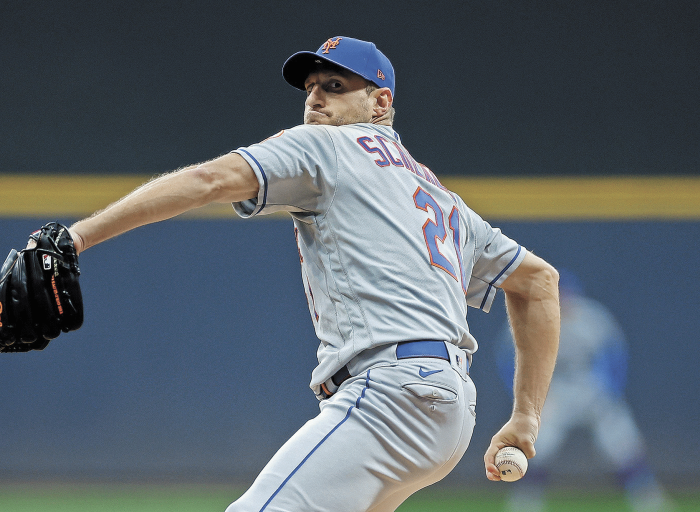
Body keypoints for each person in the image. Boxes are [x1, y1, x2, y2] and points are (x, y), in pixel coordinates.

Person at [60, 36, 560, 511]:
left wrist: (74, 240)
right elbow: (538, 283)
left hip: (391, 393)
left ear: (380, 103)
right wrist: (526, 419)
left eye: (336, 86)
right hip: (447, 409)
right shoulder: (443, 202)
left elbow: (208, 179)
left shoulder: (327, 147)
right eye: (311, 88)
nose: (316, 98)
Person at [498, 270, 672, 512]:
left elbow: (614, 354)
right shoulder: (529, 318)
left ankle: (647, 500)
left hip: (590, 386)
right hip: (553, 391)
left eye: (565, 294)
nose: (562, 300)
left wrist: (611, 390)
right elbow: (509, 361)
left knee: (622, 443)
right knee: (538, 445)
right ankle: (525, 503)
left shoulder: (591, 317)